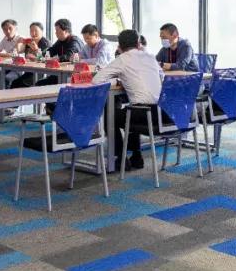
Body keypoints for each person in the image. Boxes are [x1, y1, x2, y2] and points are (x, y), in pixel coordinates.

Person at [92, 29, 163, 170]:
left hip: (144, 113)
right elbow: (161, 77)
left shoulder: (122, 59)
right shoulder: (150, 56)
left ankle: (120, 158)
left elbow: (96, 80)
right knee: (131, 109)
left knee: (110, 115)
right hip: (162, 112)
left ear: (119, 46)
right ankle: (136, 156)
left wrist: (120, 78)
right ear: (138, 43)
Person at [35, 18, 86, 87]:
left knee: (41, 84)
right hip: (61, 72)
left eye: (57, 31)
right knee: (39, 83)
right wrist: (39, 56)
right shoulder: (60, 41)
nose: (55, 33)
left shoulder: (75, 41)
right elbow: (51, 50)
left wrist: (58, 59)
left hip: (73, 75)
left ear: (66, 31)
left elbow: (69, 56)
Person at [0, 19, 25, 89]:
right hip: (7, 67)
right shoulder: (5, 38)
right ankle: (1, 94)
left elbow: (14, 55)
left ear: (16, 28)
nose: (8, 31)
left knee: (6, 80)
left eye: (10, 28)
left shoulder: (21, 39)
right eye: (5, 29)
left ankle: (7, 95)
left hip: (19, 68)